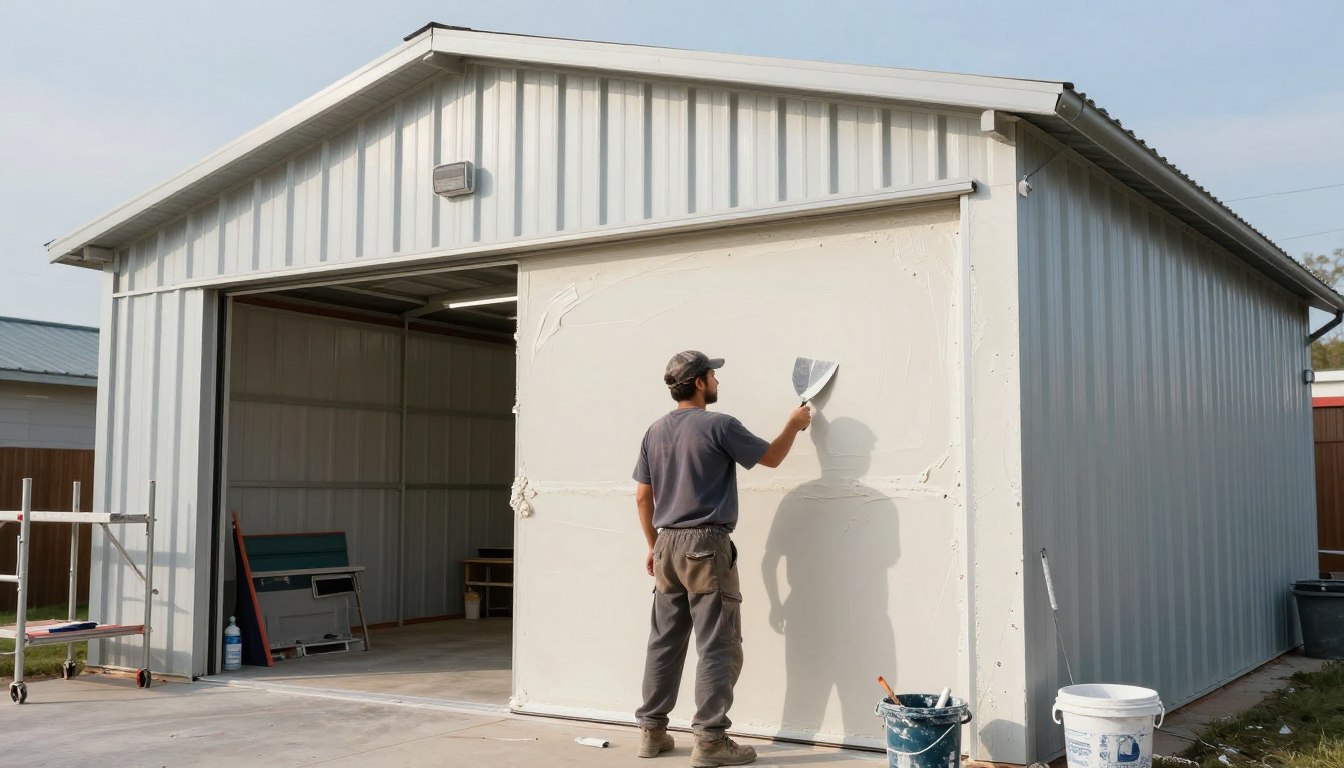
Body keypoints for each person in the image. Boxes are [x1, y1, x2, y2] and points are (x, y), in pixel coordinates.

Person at [633, 350, 812, 766]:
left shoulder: (654, 431)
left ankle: (652, 733)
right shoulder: (718, 424)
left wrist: (652, 545)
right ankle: (710, 741)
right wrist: (794, 425)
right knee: (718, 645)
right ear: (698, 382)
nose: (717, 381)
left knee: (664, 642)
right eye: (713, 375)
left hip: (666, 546)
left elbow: (644, 496)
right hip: (706, 545)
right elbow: (770, 457)